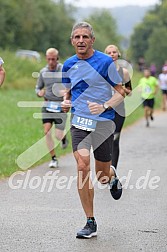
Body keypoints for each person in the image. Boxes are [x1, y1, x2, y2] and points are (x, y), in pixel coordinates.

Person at [62, 22, 125, 239]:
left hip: (103, 123)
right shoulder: (68, 65)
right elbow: (68, 92)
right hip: (79, 121)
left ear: (92, 40)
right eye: (77, 37)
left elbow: (121, 92)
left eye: (85, 37)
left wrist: (105, 105)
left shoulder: (106, 62)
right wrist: (65, 101)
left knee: (101, 176)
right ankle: (90, 222)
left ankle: (112, 175)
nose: (81, 41)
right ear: (72, 40)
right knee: (82, 166)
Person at [35, 48, 68, 168]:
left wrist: (66, 92)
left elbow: (71, 85)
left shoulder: (64, 70)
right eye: (49, 59)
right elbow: (37, 88)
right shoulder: (43, 72)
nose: (51, 62)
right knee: (47, 132)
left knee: (58, 135)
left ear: (57, 59)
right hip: (48, 105)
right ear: (46, 58)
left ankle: (63, 138)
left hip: (60, 105)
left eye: (53, 59)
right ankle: (53, 158)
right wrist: (39, 93)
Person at [104, 45, 132, 169]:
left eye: (114, 52)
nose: (112, 54)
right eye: (109, 52)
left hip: (119, 111)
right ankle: (105, 167)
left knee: (115, 140)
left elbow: (130, 92)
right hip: (104, 110)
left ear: (118, 54)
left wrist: (121, 88)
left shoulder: (124, 72)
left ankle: (113, 169)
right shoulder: (102, 72)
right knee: (105, 141)